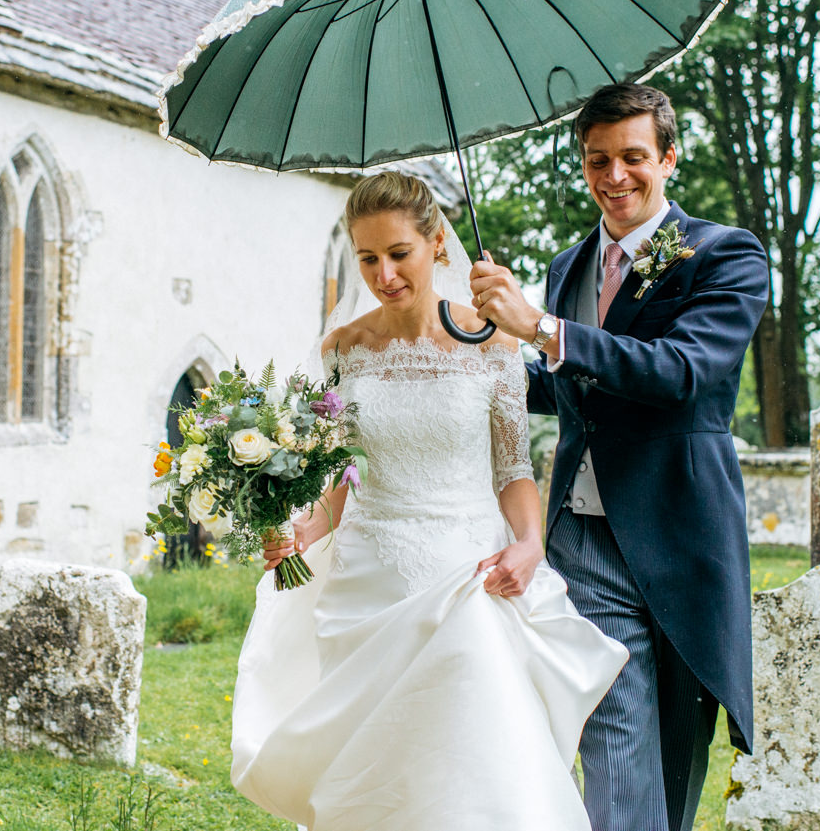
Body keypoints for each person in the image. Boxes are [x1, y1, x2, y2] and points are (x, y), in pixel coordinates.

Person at [232, 172, 628, 831]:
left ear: (436, 243)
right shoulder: (343, 349)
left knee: (475, 760)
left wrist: (528, 543)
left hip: (467, 573)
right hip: (368, 582)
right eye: (367, 258)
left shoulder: (492, 342)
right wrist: (302, 531)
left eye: (398, 253)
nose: (383, 273)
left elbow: (512, 467)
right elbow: (341, 475)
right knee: (376, 771)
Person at [469, 83, 770, 831]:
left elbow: (682, 373)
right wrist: (478, 357)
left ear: (668, 157)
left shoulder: (726, 255)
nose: (615, 176)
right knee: (615, 734)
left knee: (676, 758)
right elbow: (570, 391)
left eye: (634, 157)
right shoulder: (568, 265)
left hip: (681, 535)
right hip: (585, 535)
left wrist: (539, 327)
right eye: (597, 160)